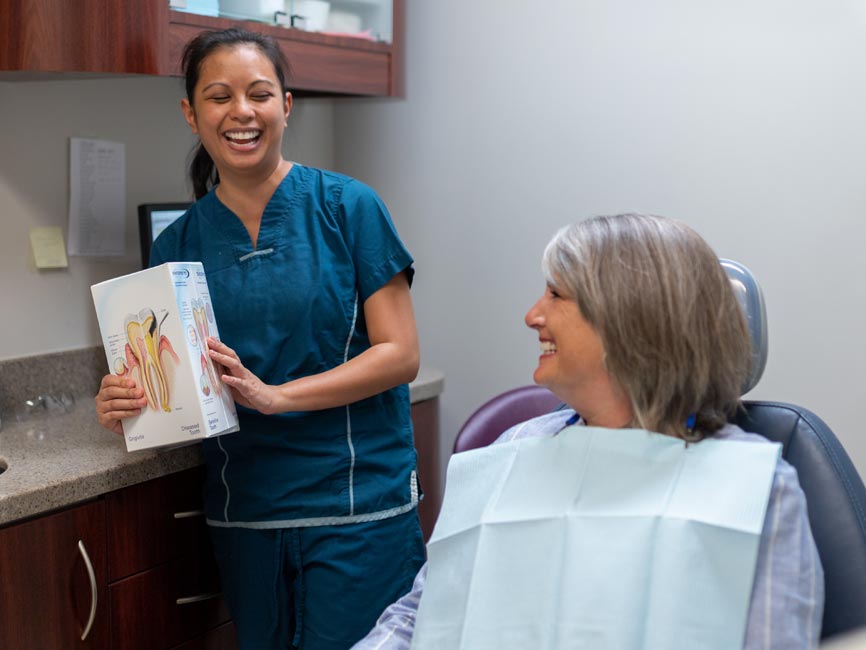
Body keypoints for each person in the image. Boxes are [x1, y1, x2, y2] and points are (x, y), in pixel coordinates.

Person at [95, 27, 425, 650]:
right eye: (219, 97)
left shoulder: (348, 207)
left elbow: (401, 354)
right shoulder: (176, 248)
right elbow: (175, 391)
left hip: (355, 505)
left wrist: (276, 396)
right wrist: (126, 403)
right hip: (246, 512)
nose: (241, 112)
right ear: (192, 113)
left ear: (285, 105)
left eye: (259, 94)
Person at [354, 213, 824, 649]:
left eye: (557, 295)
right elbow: (421, 614)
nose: (533, 315)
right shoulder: (512, 449)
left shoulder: (755, 493)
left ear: (630, 319)